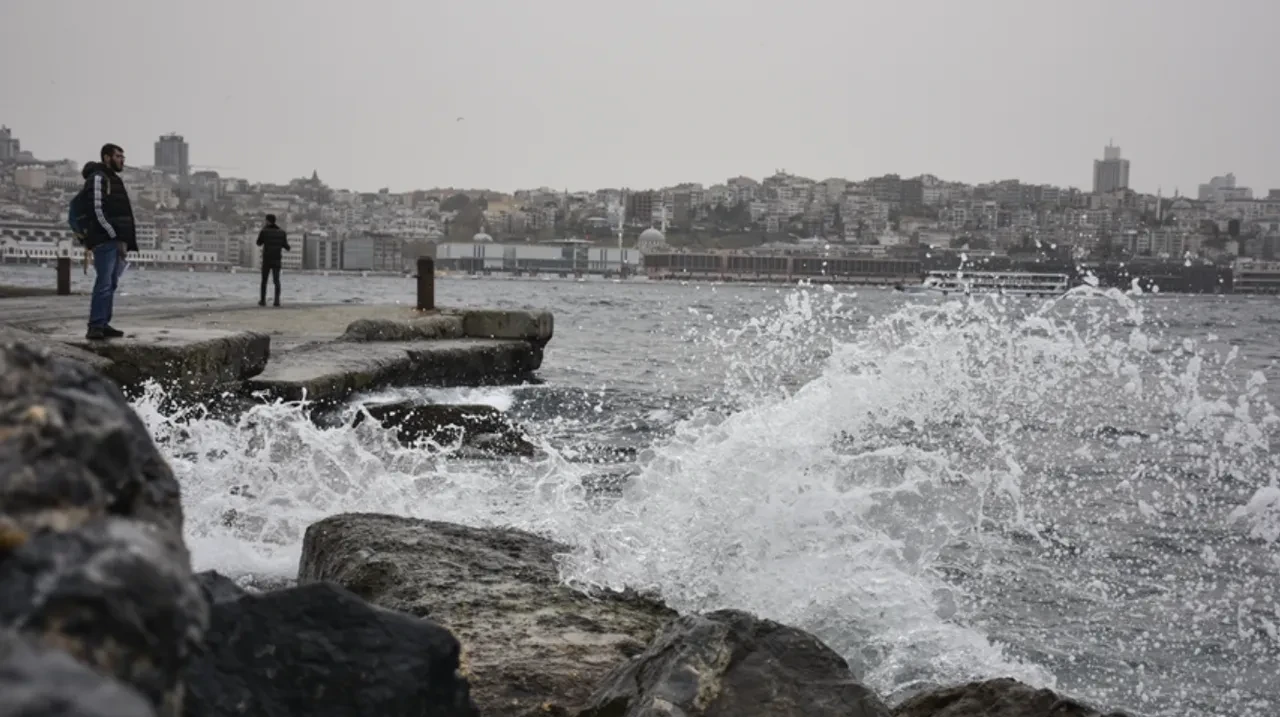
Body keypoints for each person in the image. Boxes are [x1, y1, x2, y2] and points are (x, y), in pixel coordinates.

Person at [82, 144, 138, 340]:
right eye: (118, 156)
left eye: (123, 156)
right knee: (104, 283)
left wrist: (124, 239)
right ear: (107, 158)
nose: (122, 160)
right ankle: (96, 325)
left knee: (111, 283)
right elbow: (96, 209)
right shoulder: (99, 178)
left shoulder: (114, 179)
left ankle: (104, 323)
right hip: (105, 240)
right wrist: (112, 233)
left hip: (116, 240)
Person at [255, 214, 290, 306]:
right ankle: (277, 301)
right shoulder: (282, 232)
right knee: (276, 280)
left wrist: (263, 230)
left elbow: (258, 243)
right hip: (277, 259)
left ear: (267, 221)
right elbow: (287, 247)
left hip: (267, 259)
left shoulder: (264, 231)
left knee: (264, 281)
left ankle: (263, 300)